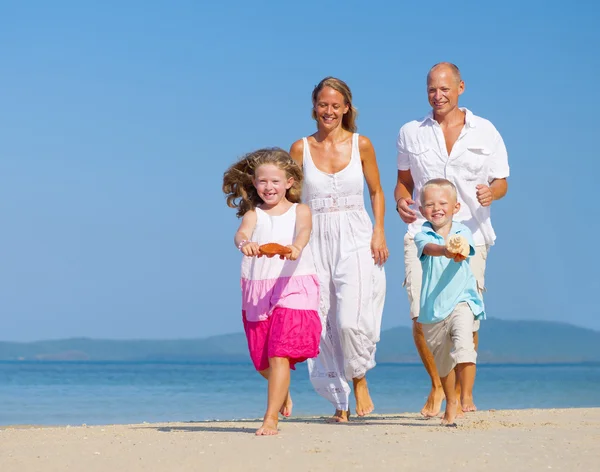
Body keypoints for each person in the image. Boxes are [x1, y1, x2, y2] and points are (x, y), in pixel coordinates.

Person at [395, 62, 509, 416]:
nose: (438, 95)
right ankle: (437, 385)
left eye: (445, 88)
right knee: (421, 316)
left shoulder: (486, 131)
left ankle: (462, 394)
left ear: (460, 87)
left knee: (467, 315)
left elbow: (501, 180)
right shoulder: (410, 132)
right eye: (431, 89)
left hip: (471, 234)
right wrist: (401, 201)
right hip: (423, 234)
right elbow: (403, 181)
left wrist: (491, 193)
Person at [289, 77, 387, 422]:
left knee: (350, 319)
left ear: (346, 108)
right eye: (322, 104)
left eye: (335, 105)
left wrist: (379, 233)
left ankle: (359, 378)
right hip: (315, 239)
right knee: (322, 321)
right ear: (314, 106)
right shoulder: (300, 148)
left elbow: (376, 191)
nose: (328, 111)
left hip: (356, 235)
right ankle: (340, 403)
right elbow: (291, 201)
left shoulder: (362, 144)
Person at [222, 148, 322, 436]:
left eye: (276, 181)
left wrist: (297, 248)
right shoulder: (255, 214)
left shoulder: (300, 210)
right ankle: (283, 391)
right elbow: (241, 234)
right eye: (263, 182)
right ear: (255, 184)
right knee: (261, 361)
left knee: (280, 354)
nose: (269, 187)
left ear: (290, 182)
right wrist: (245, 245)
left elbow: (304, 231)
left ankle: (270, 419)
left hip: (295, 283)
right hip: (259, 287)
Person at [414, 178, 485, 425]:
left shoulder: (463, 231)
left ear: (455, 207)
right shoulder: (422, 235)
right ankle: (450, 404)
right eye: (430, 204)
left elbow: (464, 247)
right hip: (433, 310)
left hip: (462, 301)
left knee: (465, 345)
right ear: (422, 210)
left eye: (443, 203)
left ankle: (465, 395)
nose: (437, 208)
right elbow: (431, 248)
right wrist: (445, 250)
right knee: (444, 363)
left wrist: (457, 250)